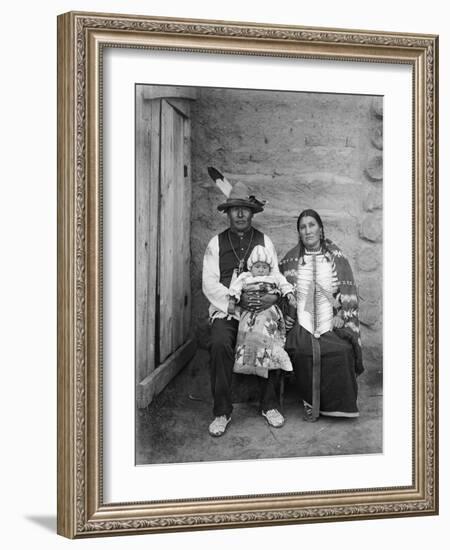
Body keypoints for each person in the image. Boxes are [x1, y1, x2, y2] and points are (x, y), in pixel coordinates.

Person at [202, 176, 286, 437]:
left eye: (245, 209)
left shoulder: (264, 242)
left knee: (270, 335)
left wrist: (271, 298)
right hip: (228, 309)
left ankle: (269, 405)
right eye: (234, 209)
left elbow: (276, 276)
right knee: (218, 342)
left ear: (252, 213)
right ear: (227, 213)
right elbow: (209, 283)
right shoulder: (216, 244)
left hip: (260, 306)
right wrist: (235, 301)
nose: (240, 214)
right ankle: (222, 411)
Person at [279, 209, 364, 421]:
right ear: (299, 232)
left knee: (343, 350)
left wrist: (342, 314)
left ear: (320, 228)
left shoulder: (337, 258)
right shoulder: (290, 260)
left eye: (311, 225)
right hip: (302, 320)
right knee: (302, 349)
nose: (307, 231)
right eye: (302, 227)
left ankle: (338, 404)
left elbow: (347, 292)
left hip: (330, 319)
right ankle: (310, 401)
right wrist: (291, 313)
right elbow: (281, 291)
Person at [228, 245, 296, 380]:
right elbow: (235, 288)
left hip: (268, 310)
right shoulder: (245, 276)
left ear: (269, 268)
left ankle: (276, 356)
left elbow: (284, 284)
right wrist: (232, 302)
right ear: (251, 267)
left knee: (266, 331)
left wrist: (289, 294)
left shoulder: (273, 277)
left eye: (264, 267)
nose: (261, 270)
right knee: (248, 332)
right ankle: (245, 362)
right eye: (257, 266)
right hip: (249, 310)